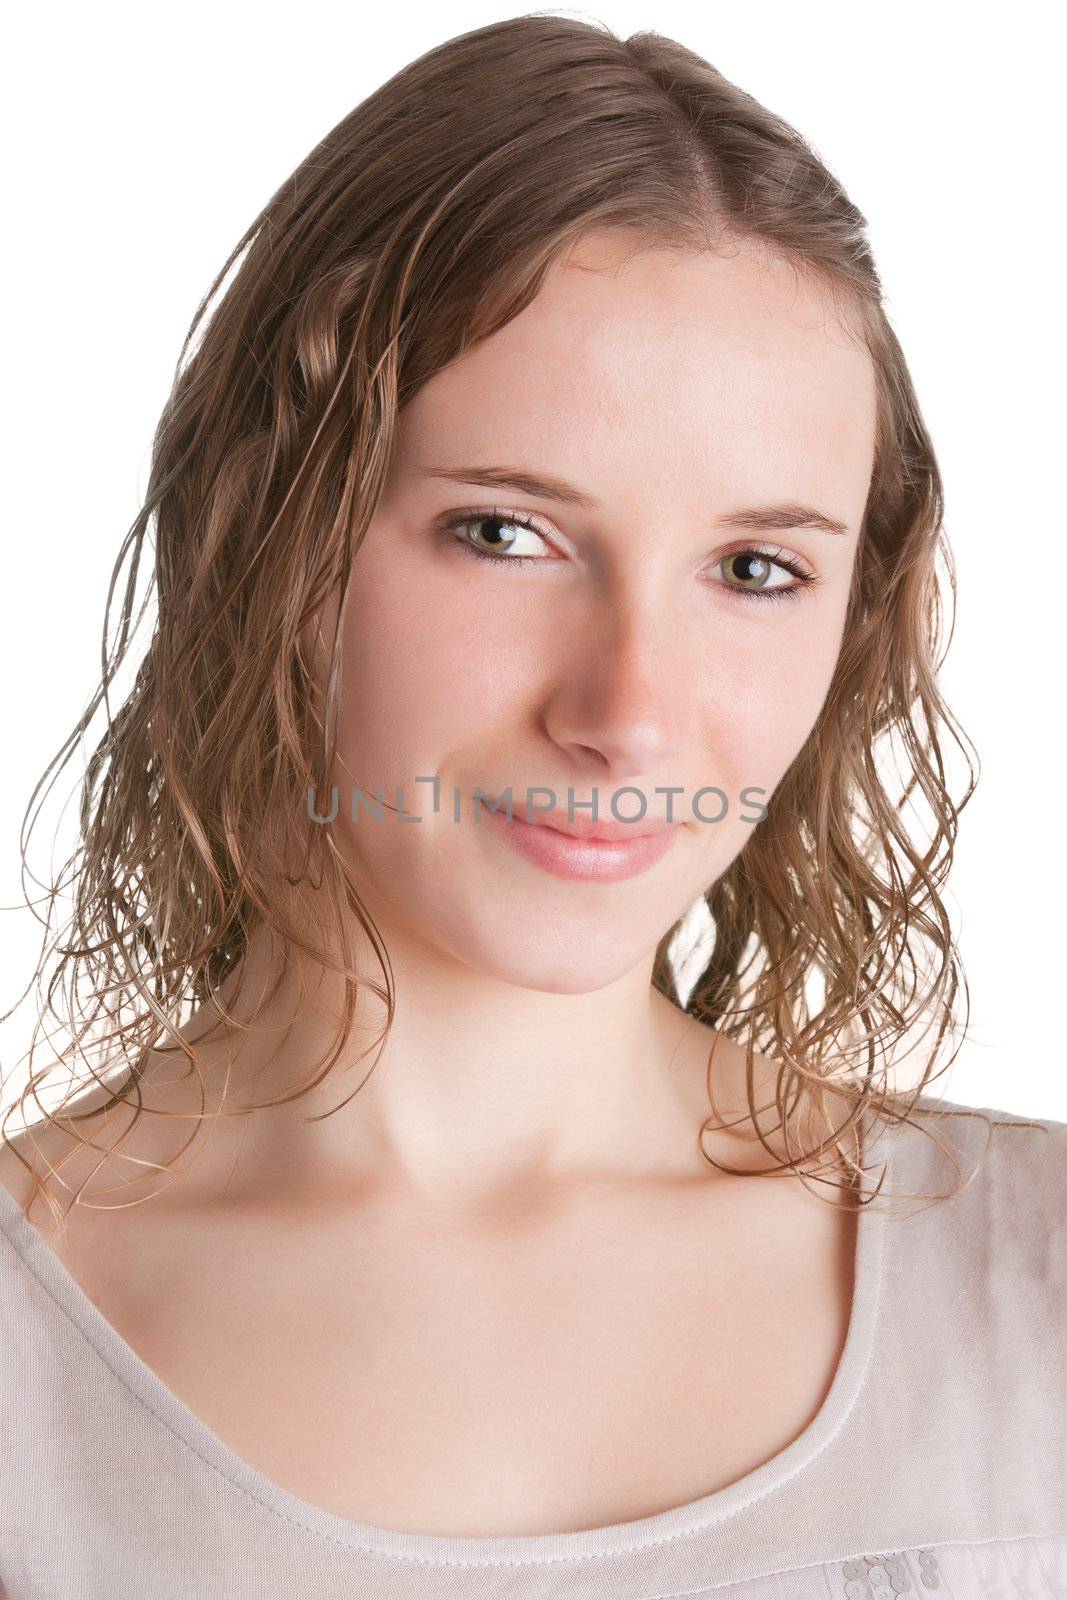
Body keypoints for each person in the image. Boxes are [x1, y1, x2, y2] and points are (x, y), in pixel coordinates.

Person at [0, 13, 1063, 1598]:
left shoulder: (1040, 1281)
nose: (627, 710)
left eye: (757, 570)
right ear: (266, 530)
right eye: (505, 534)